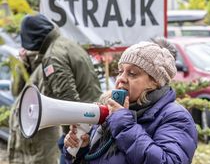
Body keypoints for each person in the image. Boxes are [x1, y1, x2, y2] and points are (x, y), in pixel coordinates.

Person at [63, 41, 198, 164]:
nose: (121, 78)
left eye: (132, 73)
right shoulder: (111, 112)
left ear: (155, 82)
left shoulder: (176, 117)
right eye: (120, 71)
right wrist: (82, 149)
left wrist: (123, 124)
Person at [8, 14, 102, 164]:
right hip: (89, 123)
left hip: (82, 130)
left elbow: (67, 101)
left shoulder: (53, 56)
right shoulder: (66, 43)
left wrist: (68, 142)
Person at [8, 48, 60, 164]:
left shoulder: (50, 62)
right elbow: (15, 90)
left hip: (40, 141)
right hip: (22, 140)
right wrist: (21, 64)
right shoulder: (27, 59)